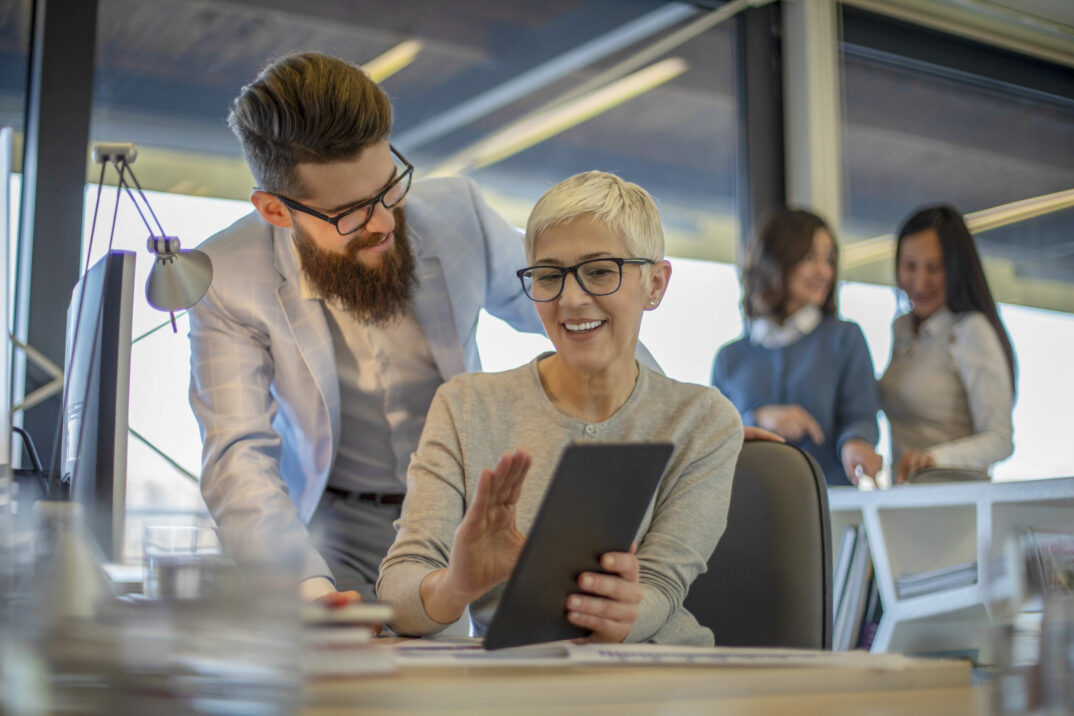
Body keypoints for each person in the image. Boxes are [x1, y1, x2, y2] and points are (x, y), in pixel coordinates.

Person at [187, 52, 545, 604]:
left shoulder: (458, 213)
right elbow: (239, 454)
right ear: (276, 211)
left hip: (477, 502)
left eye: (388, 188)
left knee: (533, 659)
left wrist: (680, 414)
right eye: (350, 212)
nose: (383, 223)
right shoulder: (228, 277)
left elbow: (575, 312)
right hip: (340, 523)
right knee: (356, 670)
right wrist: (307, 593)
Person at [377, 171, 743, 645]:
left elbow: (660, 585)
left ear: (655, 283)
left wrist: (624, 615)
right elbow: (402, 584)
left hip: (659, 681)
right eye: (549, 275)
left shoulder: (703, 421)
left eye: (600, 271)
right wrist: (456, 585)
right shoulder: (466, 407)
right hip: (520, 688)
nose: (571, 299)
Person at [710, 208, 882, 486]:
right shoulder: (729, 358)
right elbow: (714, 437)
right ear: (777, 260)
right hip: (748, 504)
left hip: (827, 503)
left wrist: (856, 443)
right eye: (809, 257)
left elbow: (860, 415)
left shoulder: (844, 338)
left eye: (829, 260)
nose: (824, 271)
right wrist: (759, 418)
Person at [879, 205, 1015, 483]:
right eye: (910, 266)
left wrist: (934, 459)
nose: (920, 281)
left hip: (954, 501)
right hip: (903, 500)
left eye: (934, 268)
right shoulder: (903, 329)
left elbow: (1000, 440)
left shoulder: (970, 330)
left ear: (955, 269)